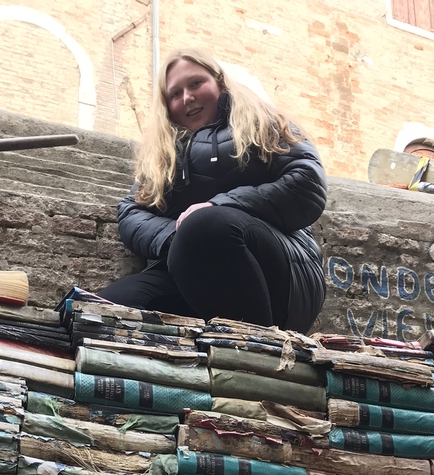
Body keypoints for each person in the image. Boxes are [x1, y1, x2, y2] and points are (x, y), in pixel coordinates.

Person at [98, 48, 327, 333]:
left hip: (283, 273)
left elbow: (307, 183)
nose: (187, 97)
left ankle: (255, 355)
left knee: (204, 226)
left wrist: (220, 206)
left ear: (219, 81)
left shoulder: (262, 122)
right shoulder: (165, 154)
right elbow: (131, 211)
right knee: (99, 311)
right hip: (194, 272)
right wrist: (175, 238)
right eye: (175, 94)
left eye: (195, 83)